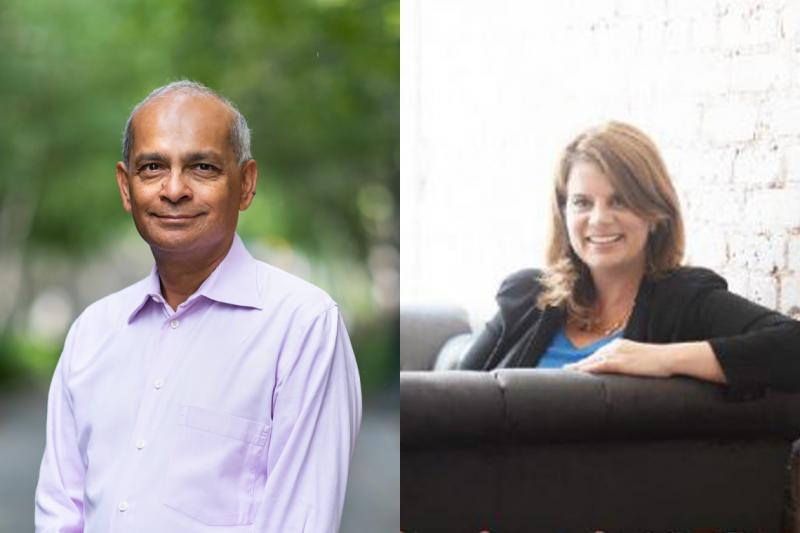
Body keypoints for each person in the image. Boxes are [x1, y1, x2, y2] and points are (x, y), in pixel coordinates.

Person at [34, 80, 362, 532]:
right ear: (126, 187)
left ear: (246, 185)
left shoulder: (302, 327)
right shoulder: (92, 331)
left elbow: (301, 521)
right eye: (151, 167)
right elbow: (59, 511)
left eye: (202, 167)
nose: (173, 189)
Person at [459, 120, 800, 395]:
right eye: (582, 202)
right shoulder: (526, 296)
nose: (599, 219)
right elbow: (444, 396)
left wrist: (661, 359)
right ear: (563, 212)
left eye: (620, 201)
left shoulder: (683, 300)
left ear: (654, 213)